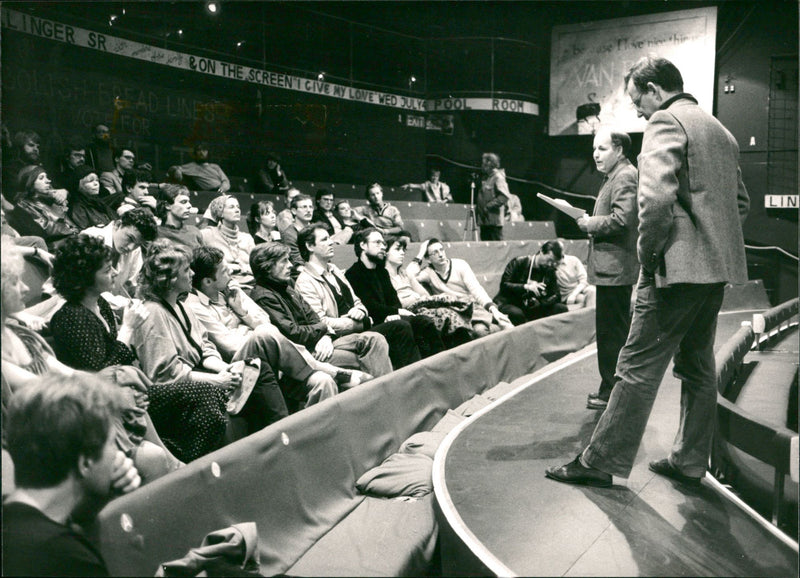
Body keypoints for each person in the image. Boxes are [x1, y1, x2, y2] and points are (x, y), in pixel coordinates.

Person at [546, 56, 749, 488]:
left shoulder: (666, 122)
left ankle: (600, 462)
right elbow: (741, 205)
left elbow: (653, 201)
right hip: (714, 274)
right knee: (698, 366)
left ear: (656, 90)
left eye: (639, 101)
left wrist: (651, 256)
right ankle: (691, 461)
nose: (639, 111)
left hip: (673, 274)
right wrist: (711, 244)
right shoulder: (723, 132)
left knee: (635, 365)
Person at [131, 241, 262, 462]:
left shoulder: (181, 305)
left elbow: (204, 346)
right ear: (170, 279)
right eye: (185, 270)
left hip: (198, 374)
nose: (192, 273)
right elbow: (166, 374)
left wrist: (224, 368)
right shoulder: (153, 313)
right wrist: (216, 381)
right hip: (173, 393)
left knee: (258, 369)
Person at [186, 247, 359, 411]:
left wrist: (241, 312)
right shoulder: (195, 307)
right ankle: (328, 369)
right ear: (208, 281)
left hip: (272, 354)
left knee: (323, 381)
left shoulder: (232, 290)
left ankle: (322, 437)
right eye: (224, 271)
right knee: (264, 333)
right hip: (243, 363)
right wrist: (251, 330)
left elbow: (265, 320)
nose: (231, 272)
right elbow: (231, 346)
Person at [2, 372, 140, 577]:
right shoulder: (68, 559)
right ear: (85, 462)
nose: (118, 454)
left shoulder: (14, 520)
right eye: (111, 443)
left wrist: (98, 498)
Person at [252, 241, 397, 375]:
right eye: (284, 261)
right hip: (303, 353)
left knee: (375, 338)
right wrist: (323, 330)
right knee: (362, 358)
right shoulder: (264, 296)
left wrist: (326, 336)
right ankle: (387, 394)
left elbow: (313, 317)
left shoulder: (287, 287)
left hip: (321, 341)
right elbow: (292, 333)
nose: (290, 265)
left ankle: (387, 391)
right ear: (267, 266)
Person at [575, 128, 639, 410]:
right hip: (612, 269)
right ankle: (609, 388)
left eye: (601, 149)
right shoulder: (616, 175)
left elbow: (622, 219)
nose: (595, 155)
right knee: (612, 332)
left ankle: (610, 392)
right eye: (593, 149)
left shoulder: (624, 176)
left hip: (615, 269)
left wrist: (590, 223)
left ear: (619, 150)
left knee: (611, 333)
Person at [345, 228, 446, 359]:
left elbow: (394, 301)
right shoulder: (353, 274)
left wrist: (394, 312)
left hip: (389, 319)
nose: (382, 247)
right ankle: (415, 372)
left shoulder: (381, 272)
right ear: (363, 245)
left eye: (383, 243)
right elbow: (369, 306)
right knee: (402, 326)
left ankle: (440, 365)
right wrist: (393, 313)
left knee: (424, 321)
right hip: (371, 325)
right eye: (377, 243)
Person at [384, 233, 476, 348]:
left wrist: (420, 298)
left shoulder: (404, 274)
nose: (402, 253)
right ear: (385, 252)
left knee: (451, 311)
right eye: (398, 249)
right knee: (445, 314)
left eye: (403, 250)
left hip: (421, 306)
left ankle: (467, 352)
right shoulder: (382, 276)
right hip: (408, 311)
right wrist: (422, 251)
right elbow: (394, 303)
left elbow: (424, 294)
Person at [407, 238, 513, 337]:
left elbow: (477, 290)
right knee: (480, 332)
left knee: (505, 325)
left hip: (472, 308)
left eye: (441, 250)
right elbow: (409, 274)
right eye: (435, 253)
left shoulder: (460, 265)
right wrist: (420, 253)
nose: (441, 255)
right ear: (428, 259)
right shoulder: (428, 273)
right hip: (456, 312)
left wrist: (493, 309)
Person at [494, 240, 569, 325]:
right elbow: (504, 285)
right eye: (549, 260)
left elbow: (557, 295)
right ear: (541, 252)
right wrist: (526, 287)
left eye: (553, 262)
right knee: (517, 314)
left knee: (561, 308)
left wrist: (541, 301)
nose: (550, 264)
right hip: (510, 302)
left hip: (533, 306)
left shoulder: (550, 269)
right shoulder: (519, 262)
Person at [6, 165, 79, 250]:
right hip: (54, 248)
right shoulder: (22, 208)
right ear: (29, 182)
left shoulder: (49, 199)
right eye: (41, 178)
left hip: (72, 240)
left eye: (46, 177)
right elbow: (43, 235)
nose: (48, 181)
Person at [201, 194, 256, 290]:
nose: (237, 210)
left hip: (252, 284)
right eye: (231, 207)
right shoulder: (207, 235)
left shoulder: (247, 238)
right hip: (225, 287)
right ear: (220, 212)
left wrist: (241, 268)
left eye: (238, 207)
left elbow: (257, 266)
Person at [65, 165, 117, 231]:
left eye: (97, 180)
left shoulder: (98, 203)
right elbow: (86, 234)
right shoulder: (78, 209)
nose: (96, 183)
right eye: (91, 181)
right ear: (78, 185)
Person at [157, 184, 204, 252]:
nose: (189, 205)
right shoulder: (156, 233)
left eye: (188, 202)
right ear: (167, 205)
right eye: (183, 202)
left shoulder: (194, 231)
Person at [475, 152, 511, 240]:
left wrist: (488, 207)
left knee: (496, 249)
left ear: (490, 164)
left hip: (494, 222)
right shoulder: (487, 178)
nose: (482, 166)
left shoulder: (498, 177)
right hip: (485, 221)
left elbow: (504, 197)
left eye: (483, 164)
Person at [280, 193, 317, 276]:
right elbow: (297, 262)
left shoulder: (317, 231)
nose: (308, 210)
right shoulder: (289, 234)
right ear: (294, 211)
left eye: (310, 207)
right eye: (304, 207)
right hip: (301, 273)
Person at [3, 131, 42, 196]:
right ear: (20, 146)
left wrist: (63, 191)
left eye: (37, 147)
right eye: (31, 145)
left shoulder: (38, 166)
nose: (36, 149)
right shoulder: (10, 167)